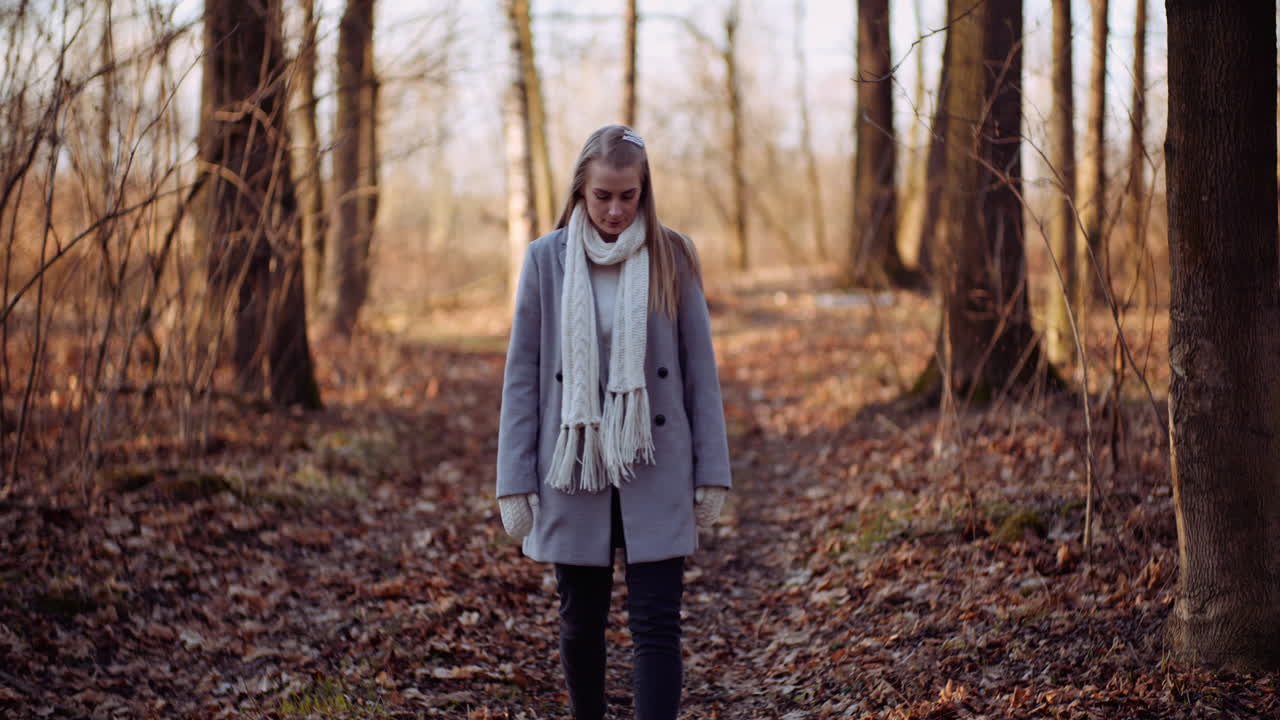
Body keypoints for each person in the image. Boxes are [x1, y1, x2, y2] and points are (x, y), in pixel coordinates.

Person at [495, 124, 732, 720]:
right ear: (581, 190)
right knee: (580, 622)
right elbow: (523, 376)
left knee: (657, 624)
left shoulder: (672, 255)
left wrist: (713, 472)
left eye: (629, 196)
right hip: (574, 466)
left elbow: (699, 371)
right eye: (603, 196)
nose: (616, 210)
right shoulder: (545, 260)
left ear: (644, 192)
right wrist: (513, 479)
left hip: (655, 460)